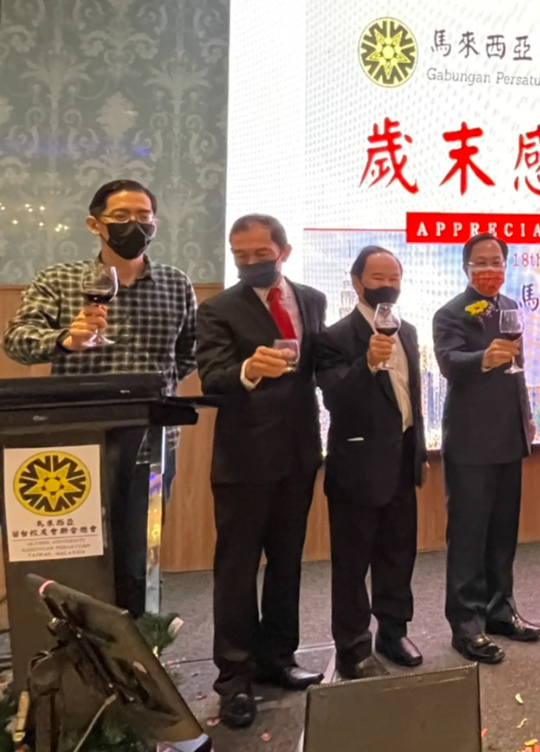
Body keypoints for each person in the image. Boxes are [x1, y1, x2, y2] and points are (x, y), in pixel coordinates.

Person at [4, 179, 197, 617]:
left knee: (139, 556)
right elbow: (16, 341)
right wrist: (64, 339)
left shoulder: (175, 283)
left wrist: (154, 388)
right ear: (95, 224)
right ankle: (75, 644)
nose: (135, 226)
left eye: (144, 217)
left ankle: (140, 643)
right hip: (73, 443)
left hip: (152, 443)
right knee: (78, 556)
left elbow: (188, 354)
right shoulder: (59, 279)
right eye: (121, 217)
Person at [194, 215, 325, 729]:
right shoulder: (218, 309)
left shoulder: (311, 299)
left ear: (283, 252)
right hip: (244, 459)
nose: (250, 262)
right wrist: (248, 369)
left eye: (260, 253)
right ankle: (234, 679)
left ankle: (278, 658)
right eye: (240, 255)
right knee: (237, 569)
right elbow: (213, 377)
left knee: (287, 562)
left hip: (299, 454)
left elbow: (320, 367)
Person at [315, 246, 427, 678]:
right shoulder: (335, 336)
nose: (387, 286)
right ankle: (353, 647)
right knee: (352, 563)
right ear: (357, 282)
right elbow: (335, 398)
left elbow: (411, 399)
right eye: (378, 278)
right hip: (357, 467)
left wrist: (418, 453)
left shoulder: (407, 331)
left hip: (401, 462)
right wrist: (366, 364)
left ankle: (393, 632)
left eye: (394, 278)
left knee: (398, 554)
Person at [433, 233, 540, 665]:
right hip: (471, 441)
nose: (489, 269)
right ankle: (466, 625)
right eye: (480, 262)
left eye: (496, 261)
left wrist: (526, 417)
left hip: (508, 437)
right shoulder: (450, 313)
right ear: (466, 267)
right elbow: (448, 362)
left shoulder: (510, 307)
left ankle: (500, 610)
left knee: (502, 534)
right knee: (468, 537)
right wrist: (482, 358)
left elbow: (518, 371)